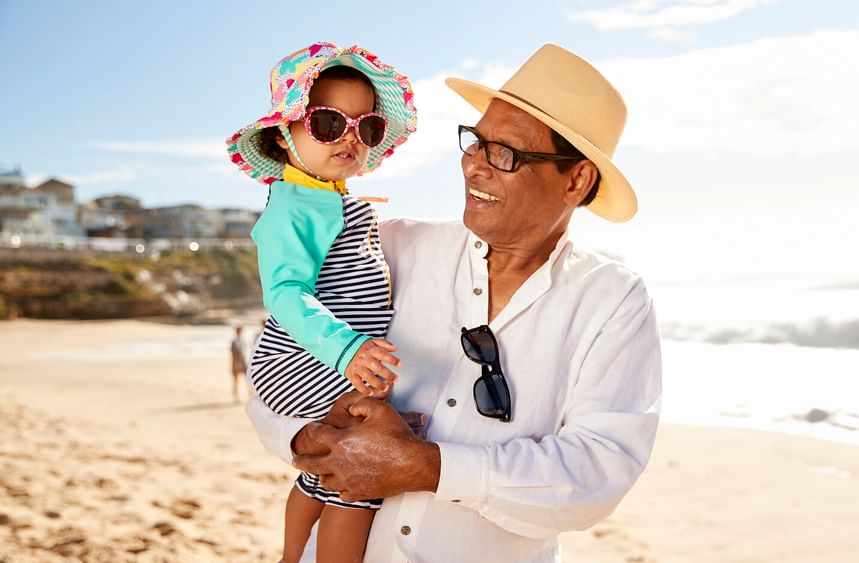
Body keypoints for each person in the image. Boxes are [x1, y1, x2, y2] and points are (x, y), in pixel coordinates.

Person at [246, 43, 662, 562]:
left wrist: (424, 466)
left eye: (505, 153)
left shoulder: (613, 300)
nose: (474, 167)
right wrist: (312, 438)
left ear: (576, 180)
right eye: (475, 143)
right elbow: (275, 366)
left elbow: (598, 472)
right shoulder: (384, 245)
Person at [226, 42, 417, 563]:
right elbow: (285, 294)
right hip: (307, 357)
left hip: (321, 356)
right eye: (329, 124)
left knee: (326, 470)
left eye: (367, 128)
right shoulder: (292, 208)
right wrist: (346, 349)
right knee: (362, 472)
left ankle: (292, 556)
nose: (350, 138)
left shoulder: (323, 196)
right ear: (283, 135)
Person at [229, 325, 247, 403]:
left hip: (242, 362)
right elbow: (233, 354)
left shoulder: (243, 341)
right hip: (236, 363)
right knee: (236, 381)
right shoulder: (234, 342)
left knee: (246, 380)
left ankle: (249, 394)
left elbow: (243, 353)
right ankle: (235, 397)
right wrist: (235, 364)